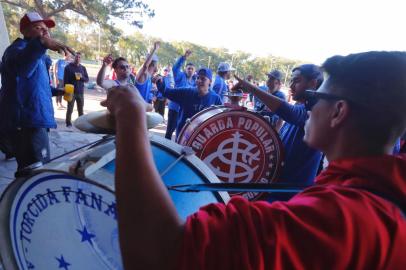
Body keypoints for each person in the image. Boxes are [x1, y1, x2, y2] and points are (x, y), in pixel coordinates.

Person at [102, 51, 406, 270]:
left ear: (338, 112)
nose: (308, 107)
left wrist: (131, 118)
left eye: (314, 99)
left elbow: (159, 254)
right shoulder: (383, 199)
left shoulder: (332, 222)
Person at [234, 64, 324, 201]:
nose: (292, 86)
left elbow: (291, 113)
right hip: (275, 189)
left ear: (313, 83)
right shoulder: (299, 107)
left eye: (297, 81)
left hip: (290, 196)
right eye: (291, 81)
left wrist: (251, 88)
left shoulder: (316, 110)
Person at [0, 12, 73, 175]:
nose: (44, 32)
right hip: (26, 121)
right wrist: (41, 43)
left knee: (36, 169)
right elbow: (23, 69)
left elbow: (36, 87)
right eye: (38, 28)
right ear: (24, 31)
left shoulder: (38, 56)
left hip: (36, 119)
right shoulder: (16, 50)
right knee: (34, 172)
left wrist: (58, 91)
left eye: (45, 29)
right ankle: (19, 200)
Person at [156, 67, 222, 137]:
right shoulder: (186, 92)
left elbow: (221, 117)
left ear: (210, 81)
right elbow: (167, 92)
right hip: (183, 137)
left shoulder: (215, 98)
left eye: (203, 79)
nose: (199, 81)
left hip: (203, 139)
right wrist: (160, 82)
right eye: (198, 78)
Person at [165, 49, 196, 140]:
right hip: (174, 109)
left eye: (192, 69)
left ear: (194, 71)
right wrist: (184, 57)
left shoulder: (194, 82)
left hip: (184, 111)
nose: (190, 70)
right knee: (169, 132)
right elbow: (175, 68)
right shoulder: (180, 76)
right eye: (188, 68)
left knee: (181, 132)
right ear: (185, 69)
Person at [64, 52, 89, 127]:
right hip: (70, 91)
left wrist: (81, 78)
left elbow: (87, 79)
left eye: (79, 57)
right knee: (70, 109)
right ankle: (68, 123)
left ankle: (81, 124)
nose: (78, 59)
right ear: (73, 58)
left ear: (81, 59)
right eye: (76, 57)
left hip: (80, 91)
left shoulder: (83, 68)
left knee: (80, 109)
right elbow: (65, 81)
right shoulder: (68, 67)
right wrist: (66, 91)